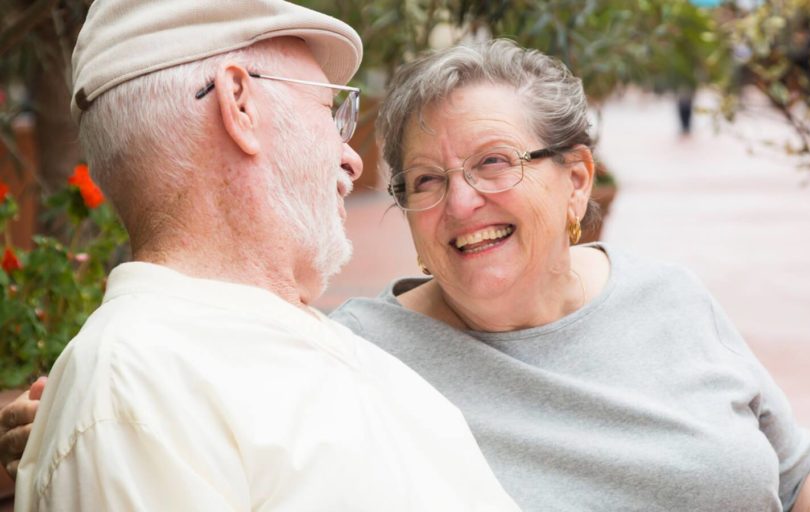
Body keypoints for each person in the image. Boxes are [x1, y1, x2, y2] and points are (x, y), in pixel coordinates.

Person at [2, 39, 810, 511]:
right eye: (423, 181)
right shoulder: (361, 356)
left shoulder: (671, 297)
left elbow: (799, 474)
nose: (460, 204)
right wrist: (42, 432)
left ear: (576, 181)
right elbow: (194, 377)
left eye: (495, 163)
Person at [7, 1, 519, 510]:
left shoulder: (193, 369)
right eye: (330, 112)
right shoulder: (139, 386)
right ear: (240, 103)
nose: (351, 156)